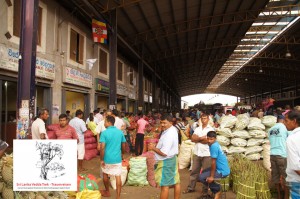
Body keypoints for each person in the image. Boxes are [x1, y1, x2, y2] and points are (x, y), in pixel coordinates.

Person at [148, 114, 180, 199]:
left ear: (171, 122)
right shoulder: (172, 130)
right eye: (161, 122)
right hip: (172, 159)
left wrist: (153, 148)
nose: (162, 125)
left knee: (164, 186)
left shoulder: (169, 134)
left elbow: (164, 153)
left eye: (164, 123)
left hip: (166, 161)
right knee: (176, 182)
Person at [183, 113, 213, 197]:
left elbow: (208, 140)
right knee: (194, 172)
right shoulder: (197, 129)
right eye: (202, 118)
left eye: (205, 118)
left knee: (206, 173)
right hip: (197, 153)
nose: (203, 120)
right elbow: (192, 139)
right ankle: (190, 188)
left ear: (208, 119)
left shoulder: (211, 129)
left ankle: (205, 191)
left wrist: (198, 139)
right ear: (200, 119)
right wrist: (201, 138)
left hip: (206, 153)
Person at [99, 115, 126, 198]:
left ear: (109, 122)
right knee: (118, 176)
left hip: (107, 158)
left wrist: (101, 159)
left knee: (105, 174)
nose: (104, 123)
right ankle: (118, 196)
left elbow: (102, 148)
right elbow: (123, 145)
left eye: (105, 122)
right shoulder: (120, 132)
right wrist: (122, 153)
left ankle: (107, 191)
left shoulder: (104, 133)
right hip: (117, 158)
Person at [199, 131, 230, 199]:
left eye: (211, 139)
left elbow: (213, 162)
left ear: (215, 139)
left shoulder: (213, 146)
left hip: (222, 171)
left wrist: (211, 177)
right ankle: (214, 190)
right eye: (208, 139)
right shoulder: (214, 143)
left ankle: (217, 190)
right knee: (203, 172)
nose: (209, 141)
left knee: (201, 177)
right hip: (218, 168)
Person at [268, 115, 289, 199]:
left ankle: (279, 196)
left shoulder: (270, 129)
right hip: (282, 155)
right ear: (283, 120)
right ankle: (286, 196)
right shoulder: (285, 128)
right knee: (285, 176)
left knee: (275, 176)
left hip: (272, 154)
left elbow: (270, 141)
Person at [284, 110, 300, 199]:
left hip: (297, 182)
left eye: (286, 121)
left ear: (294, 121)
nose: (284, 123)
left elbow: (296, 167)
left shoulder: (291, 139)